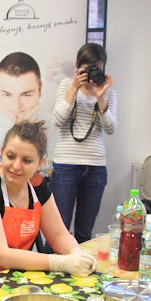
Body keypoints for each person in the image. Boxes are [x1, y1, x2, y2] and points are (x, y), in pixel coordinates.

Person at [0, 121, 97, 288]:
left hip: (10, 276)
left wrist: (77, 254)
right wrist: (61, 263)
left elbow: (58, 235)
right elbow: (0, 256)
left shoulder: (38, 187)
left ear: (40, 162)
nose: (16, 166)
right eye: (10, 156)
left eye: (27, 160)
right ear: (1, 152)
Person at [45, 43, 116, 252]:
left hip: (95, 168)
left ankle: (80, 276)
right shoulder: (67, 84)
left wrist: (101, 97)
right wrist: (74, 88)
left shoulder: (108, 93)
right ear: (78, 66)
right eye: (87, 68)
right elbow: (58, 120)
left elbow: (111, 128)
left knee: (85, 233)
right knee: (58, 230)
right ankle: (50, 276)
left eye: (97, 68)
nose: (92, 73)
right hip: (66, 166)